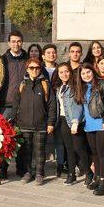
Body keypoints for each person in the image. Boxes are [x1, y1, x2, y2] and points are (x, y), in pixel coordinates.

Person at [75, 63, 104, 196]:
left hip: (102, 122)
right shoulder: (82, 87)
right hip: (90, 124)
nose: (86, 75)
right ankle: (98, 178)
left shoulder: (102, 83)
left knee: (102, 152)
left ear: (93, 72)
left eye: (88, 72)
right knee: (94, 152)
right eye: (83, 73)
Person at [14, 58, 56, 185]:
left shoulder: (45, 84)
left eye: (37, 68)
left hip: (41, 124)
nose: (34, 70)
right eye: (31, 68)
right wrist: (15, 122)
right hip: (24, 124)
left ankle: (39, 173)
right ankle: (27, 173)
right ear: (27, 69)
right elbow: (16, 105)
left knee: (40, 151)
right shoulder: (22, 85)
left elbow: (52, 105)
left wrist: (50, 123)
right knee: (26, 151)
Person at [0, 31, 27, 179]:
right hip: (6, 105)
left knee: (22, 138)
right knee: (4, 138)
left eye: (18, 41)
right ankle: (3, 168)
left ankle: (21, 168)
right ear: (8, 43)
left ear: (22, 42)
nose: (16, 44)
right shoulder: (2, 60)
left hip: (24, 105)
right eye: (13, 41)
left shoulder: (28, 60)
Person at [52, 62, 89, 185]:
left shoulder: (75, 86)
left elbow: (78, 105)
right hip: (63, 120)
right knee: (69, 149)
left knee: (79, 148)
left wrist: (75, 122)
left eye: (66, 71)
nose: (64, 74)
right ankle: (71, 173)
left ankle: (89, 173)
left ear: (70, 72)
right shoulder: (59, 87)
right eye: (61, 72)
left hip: (75, 121)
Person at [42, 44, 64, 176]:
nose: (51, 55)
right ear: (43, 55)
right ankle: (39, 167)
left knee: (59, 140)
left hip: (58, 108)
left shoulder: (61, 69)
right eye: (48, 53)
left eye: (53, 52)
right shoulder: (38, 69)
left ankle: (61, 165)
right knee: (40, 140)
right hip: (42, 108)